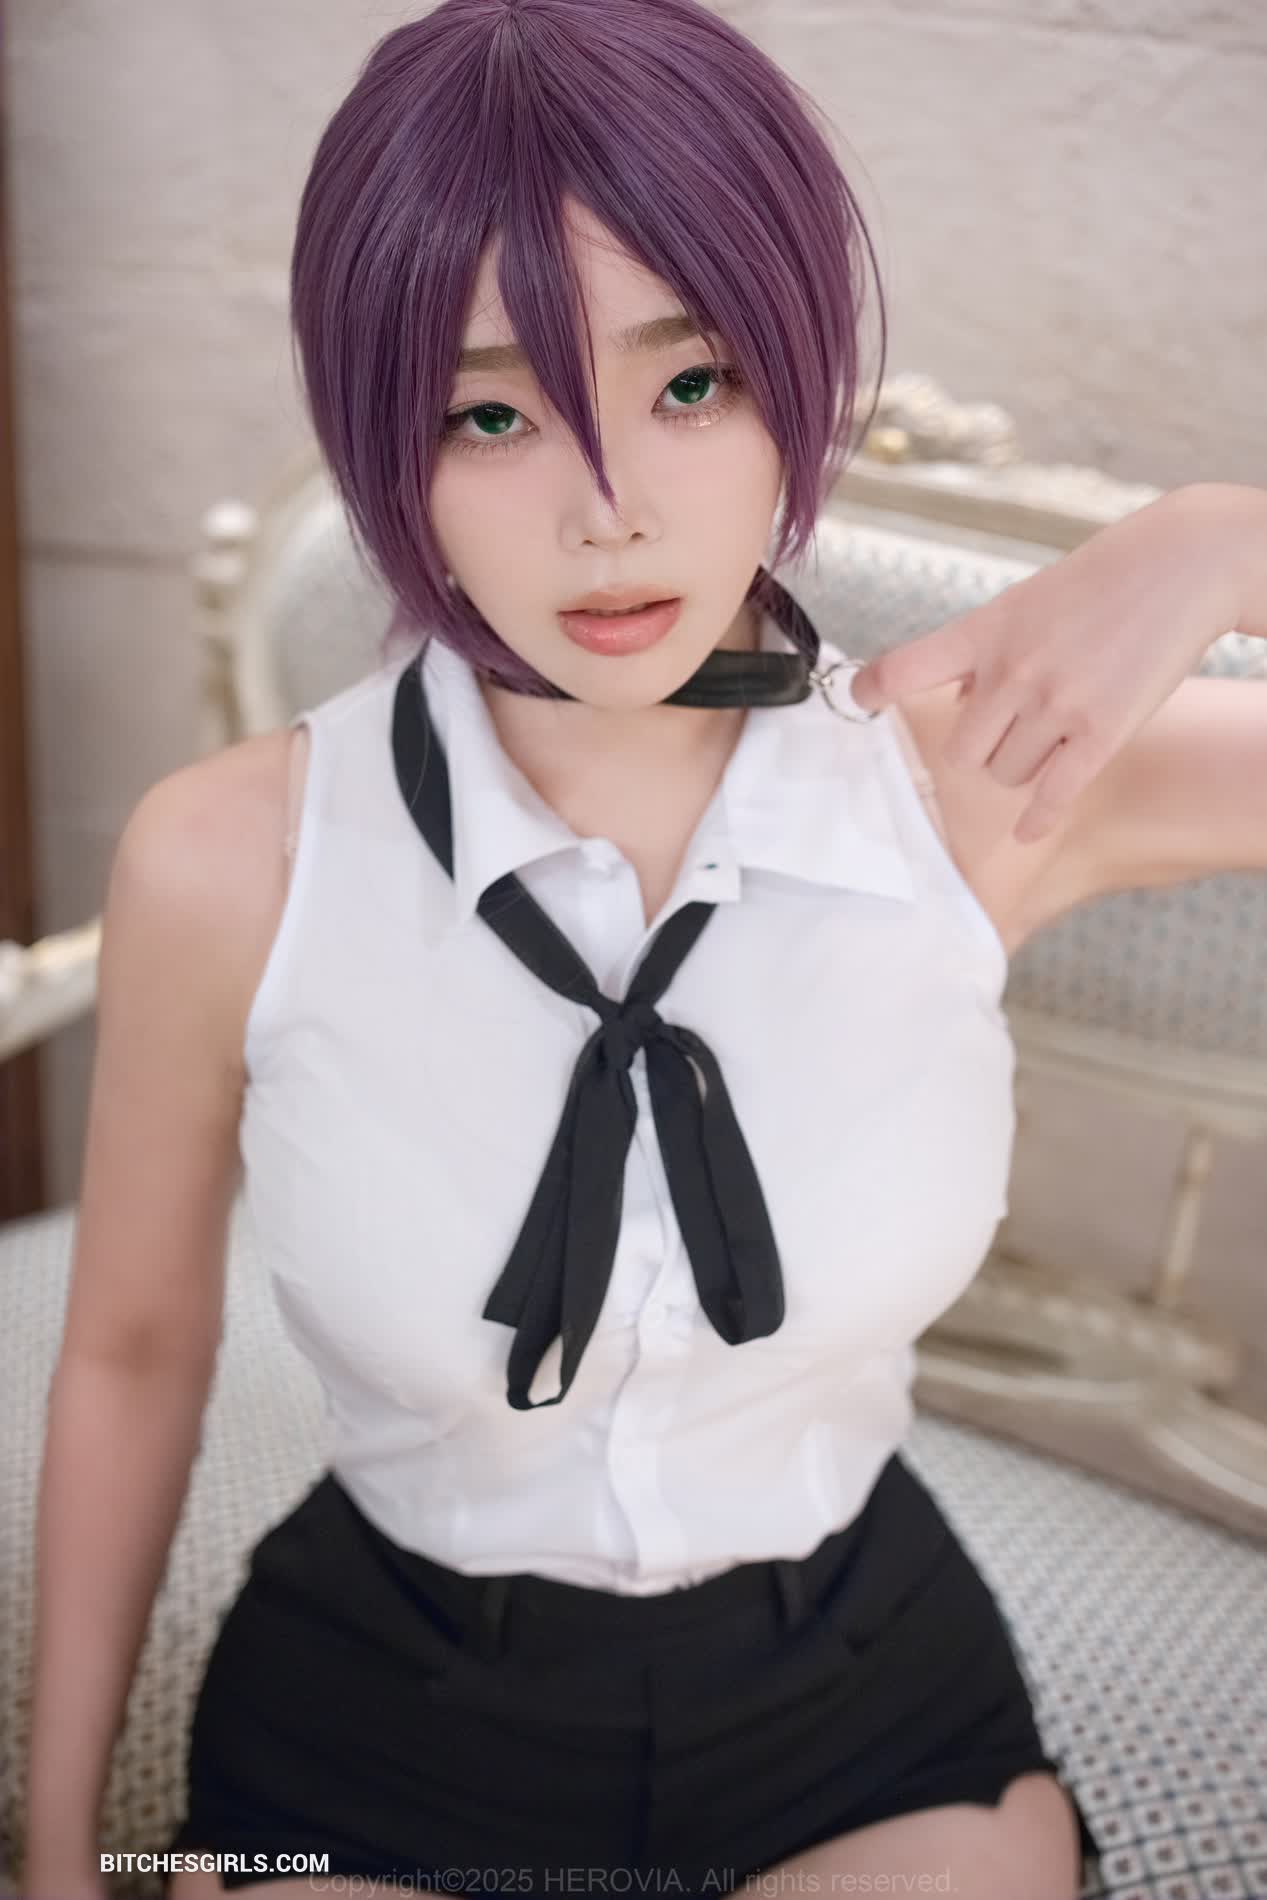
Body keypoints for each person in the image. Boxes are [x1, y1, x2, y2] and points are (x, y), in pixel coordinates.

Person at [24, 2, 1106, 1895]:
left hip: (858, 1695)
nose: (609, 512)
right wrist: (48, 1851)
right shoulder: (233, 860)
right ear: (389, 440)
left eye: (692, 384)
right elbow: (127, 1350)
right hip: (382, 1710)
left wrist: (1220, 541)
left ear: (798, 370)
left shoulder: (969, 788)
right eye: (492, 414)